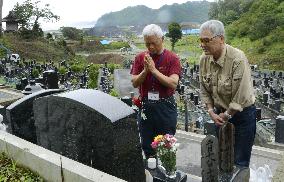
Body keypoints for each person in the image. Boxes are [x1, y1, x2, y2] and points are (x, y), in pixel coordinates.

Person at [199, 20, 256, 167]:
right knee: (222, 158)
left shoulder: (237, 58)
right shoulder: (204, 59)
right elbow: (204, 88)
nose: (202, 45)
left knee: (240, 162)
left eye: (207, 40)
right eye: (201, 40)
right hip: (220, 114)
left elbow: (241, 94)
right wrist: (211, 111)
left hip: (242, 115)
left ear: (221, 39)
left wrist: (228, 114)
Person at [130, 24, 181, 158]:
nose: (151, 47)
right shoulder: (140, 58)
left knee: (166, 144)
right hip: (146, 106)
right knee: (147, 144)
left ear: (162, 39)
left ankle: (167, 172)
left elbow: (173, 83)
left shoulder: (172, 58)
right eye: (147, 44)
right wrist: (145, 71)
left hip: (165, 107)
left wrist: (153, 70)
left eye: (154, 43)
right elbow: (135, 83)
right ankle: (151, 170)